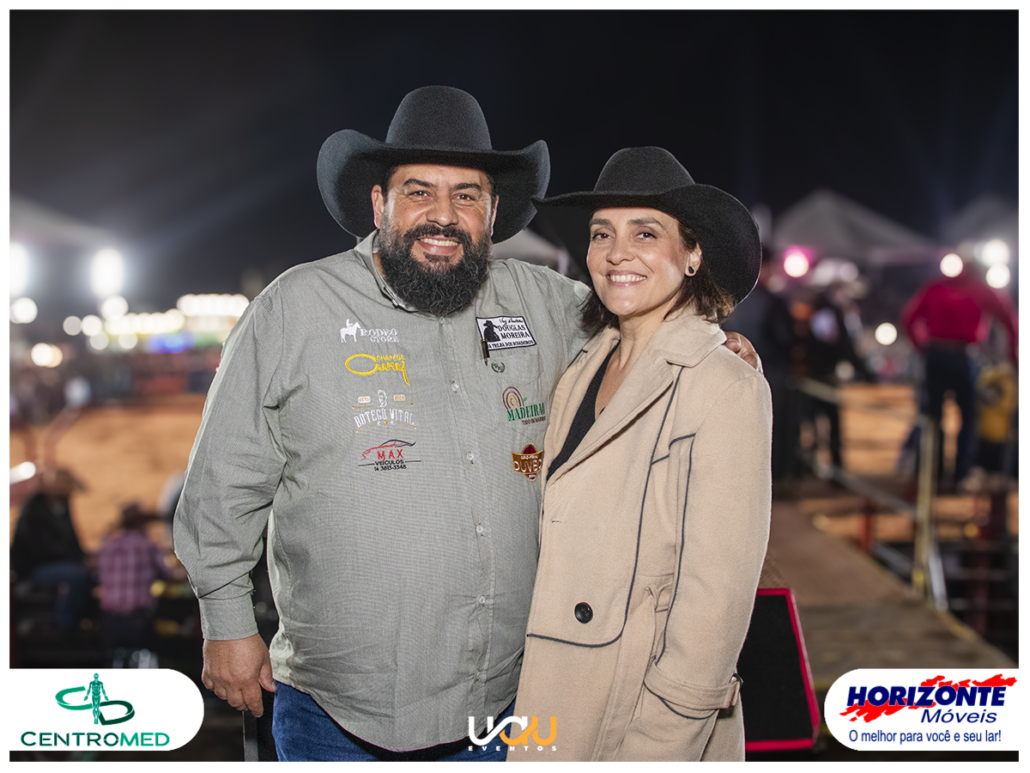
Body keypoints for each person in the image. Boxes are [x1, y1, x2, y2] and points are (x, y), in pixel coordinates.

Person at [172, 87, 759, 761]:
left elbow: (642, 325)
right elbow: (223, 481)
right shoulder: (294, 309)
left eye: (467, 195)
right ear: (379, 204)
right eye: (419, 192)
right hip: (334, 715)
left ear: (493, 212)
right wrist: (226, 620)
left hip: (505, 708)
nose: (444, 216)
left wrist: (714, 343)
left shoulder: (546, 304)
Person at [509, 147, 772, 761]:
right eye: (602, 234)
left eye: (645, 233)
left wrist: (659, 743)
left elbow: (714, 605)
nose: (617, 253)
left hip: (638, 721)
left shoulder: (724, 385)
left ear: (693, 255)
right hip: (555, 696)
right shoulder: (581, 366)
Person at [901, 255, 1018, 488]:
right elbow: (1010, 320)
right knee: (964, 417)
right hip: (960, 356)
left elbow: (908, 319)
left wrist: (922, 348)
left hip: (941, 355)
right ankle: (958, 476)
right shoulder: (977, 288)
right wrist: (1014, 357)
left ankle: (934, 475)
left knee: (936, 416)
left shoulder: (937, 287)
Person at [11, 467, 92, 635]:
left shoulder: (60, 511)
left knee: (88, 574)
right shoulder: (34, 513)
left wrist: (83, 557)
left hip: (54, 563)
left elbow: (72, 541)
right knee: (76, 575)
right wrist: (74, 559)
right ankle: (64, 624)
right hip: (33, 567)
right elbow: (41, 549)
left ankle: (82, 616)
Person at [96, 503, 180, 660]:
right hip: (137, 617)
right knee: (141, 660)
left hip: (110, 618)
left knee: (113, 662)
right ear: (141, 524)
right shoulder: (147, 546)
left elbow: (98, 574)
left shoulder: (107, 547)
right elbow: (169, 576)